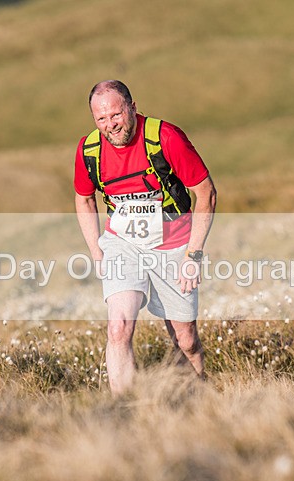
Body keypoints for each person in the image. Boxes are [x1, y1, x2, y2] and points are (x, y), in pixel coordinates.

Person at [74, 80, 217, 394]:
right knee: (118, 328)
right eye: (101, 119)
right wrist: (97, 254)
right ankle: (124, 409)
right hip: (123, 245)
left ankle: (196, 399)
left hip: (174, 245)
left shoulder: (166, 138)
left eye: (116, 115)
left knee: (185, 340)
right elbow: (83, 199)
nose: (111, 125)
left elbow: (206, 193)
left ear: (132, 107)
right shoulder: (89, 150)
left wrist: (193, 254)